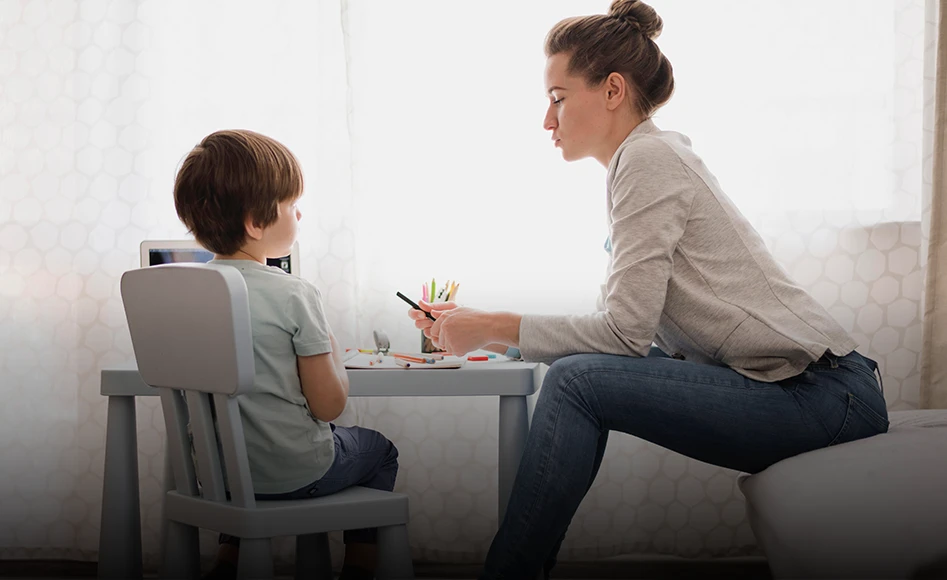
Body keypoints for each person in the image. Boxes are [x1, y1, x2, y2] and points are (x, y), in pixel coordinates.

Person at [407, 1, 890, 578]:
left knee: (576, 379)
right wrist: (480, 332)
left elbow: (623, 336)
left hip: (823, 395)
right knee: (580, 372)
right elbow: (615, 332)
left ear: (613, 90)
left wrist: (489, 324)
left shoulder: (649, 159)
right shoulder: (639, 162)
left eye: (558, 98)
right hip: (806, 390)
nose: (546, 119)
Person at [174, 129, 398, 580]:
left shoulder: (185, 293)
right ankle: (359, 566)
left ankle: (228, 558)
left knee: (241, 445)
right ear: (257, 223)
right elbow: (330, 405)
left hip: (215, 479)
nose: (300, 213)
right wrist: (332, 350)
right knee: (379, 450)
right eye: (292, 204)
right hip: (297, 475)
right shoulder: (294, 293)